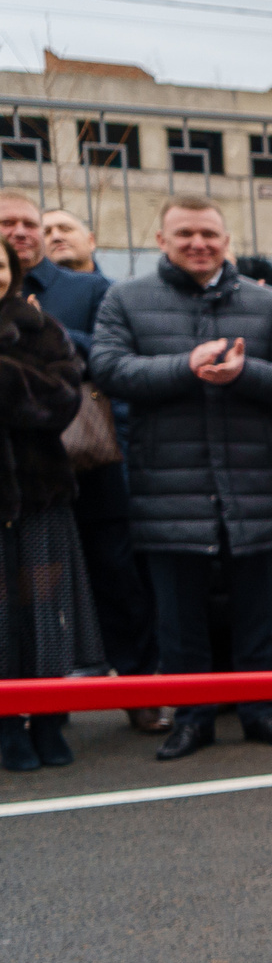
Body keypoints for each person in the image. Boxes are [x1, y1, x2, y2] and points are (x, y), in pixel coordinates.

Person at [90, 197, 272, 761]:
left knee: (258, 611)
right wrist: (185, 366)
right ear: (161, 239)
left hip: (253, 484)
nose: (198, 243)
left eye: (209, 233)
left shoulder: (266, 304)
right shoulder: (126, 299)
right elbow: (110, 369)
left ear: (226, 238)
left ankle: (262, 711)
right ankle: (191, 718)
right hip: (168, 487)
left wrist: (244, 373)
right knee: (178, 617)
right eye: (185, 233)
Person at [6, 194, 160, 731]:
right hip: (17, 474)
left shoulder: (88, 289)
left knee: (115, 576)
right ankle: (44, 705)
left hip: (89, 460)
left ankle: (141, 691)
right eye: (12, 223)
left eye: (32, 222)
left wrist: (47, 333)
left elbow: (115, 357)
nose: (25, 231)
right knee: (29, 590)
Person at [0, 238, 97, 771]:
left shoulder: (42, 328)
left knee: (44, 611)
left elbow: (63, 398)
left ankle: (51, 717)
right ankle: (7, 723)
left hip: (40, 496)